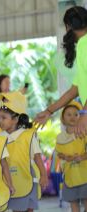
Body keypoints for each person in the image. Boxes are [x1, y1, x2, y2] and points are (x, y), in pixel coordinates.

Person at [0, 91, 48, 212]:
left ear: (16, 119)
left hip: (27, 177)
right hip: (9, 179)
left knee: (28, 211)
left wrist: (43, 175)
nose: (0, 121)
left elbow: (37, 156)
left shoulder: (28, 135)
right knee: (16, 208)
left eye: (4, 118)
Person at [34, 6, 87, 137]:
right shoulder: (82, 45)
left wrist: (85, 113)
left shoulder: (85, 44)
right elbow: (75, 89)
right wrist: (49, 111)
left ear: (68, 27)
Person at [55, 101, 87, 212]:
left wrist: (83, 157)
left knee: (86, 198)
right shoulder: (60, 137)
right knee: (73, 200)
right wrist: (66, 157)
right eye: (69, 114)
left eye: (76, 114)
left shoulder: (84, 133)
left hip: (84, 174)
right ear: (63, 119)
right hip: (70, 175)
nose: (73, 117)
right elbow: (59, 153)